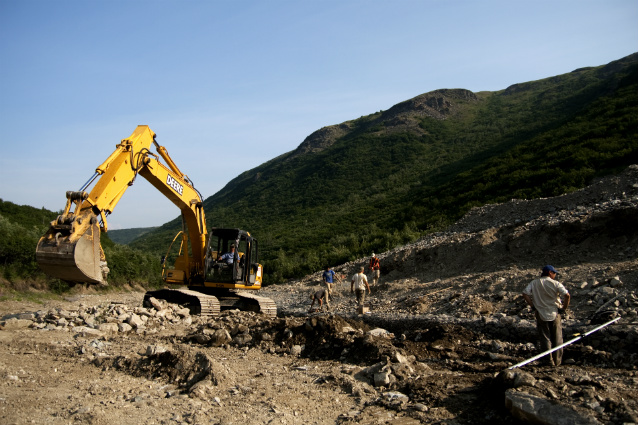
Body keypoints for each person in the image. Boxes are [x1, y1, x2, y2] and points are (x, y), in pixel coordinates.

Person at [522, 265, 571, 366]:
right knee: (557, 338)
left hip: (540, 313)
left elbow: (525, 293)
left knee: (545, 338)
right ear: (550, 273)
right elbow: (567, 295)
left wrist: (533, 305)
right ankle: (557, 361)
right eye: (554, 273)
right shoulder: (555, 283)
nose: (555, 275)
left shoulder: (534, 283)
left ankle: (548, 361)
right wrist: (564, 308)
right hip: (554, 312)